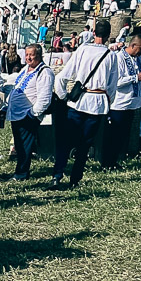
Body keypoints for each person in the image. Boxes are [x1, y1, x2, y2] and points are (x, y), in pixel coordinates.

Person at [51, 18, 118, 190]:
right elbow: (112, 86)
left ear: (93, 33)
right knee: (85, 144)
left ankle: (57, 174)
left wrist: (63, 97)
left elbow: (62, 76)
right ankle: (75, 178)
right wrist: (107, 101)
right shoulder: (111, 56)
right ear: (109, 35)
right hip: (98, 103)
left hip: (79, 101)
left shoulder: (83, 49)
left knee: (66, 141)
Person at [6, 44, 54, 181]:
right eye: (26, 55)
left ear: (39, 55)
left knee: (24, 145)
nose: (28, 58)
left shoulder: (44, 72)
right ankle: (20, 171)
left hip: (27, 114)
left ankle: (21, 173)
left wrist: (33, 113)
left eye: (31, 55)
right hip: (16, 114)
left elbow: (44, 97)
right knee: (19, 145)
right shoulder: (25, 69)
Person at [103, 33, 141, 169]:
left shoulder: (138, 59)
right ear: (133, 45)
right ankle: (108, 162)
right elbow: (117, 82)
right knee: (114, 135)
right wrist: (135, 78)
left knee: (126, 134)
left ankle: (120, 157)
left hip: (135, 102)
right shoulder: (119, 58)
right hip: (120, 103)